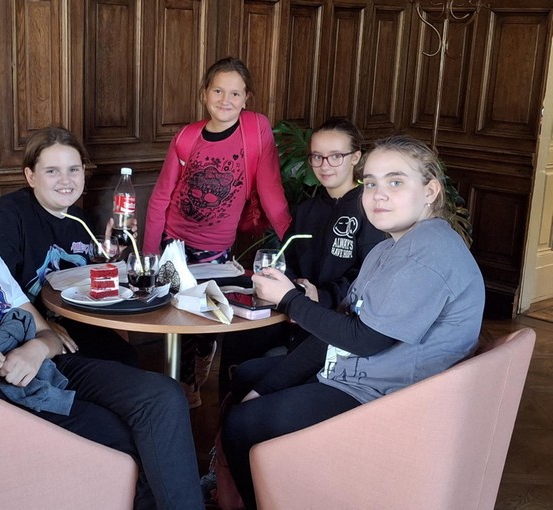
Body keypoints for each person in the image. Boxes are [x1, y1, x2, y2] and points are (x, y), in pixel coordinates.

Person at [0, 128, 204, 510]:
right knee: (121, 434)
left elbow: (46, 333)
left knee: (163, 395)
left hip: (36, 365)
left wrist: (36, 349)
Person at [220, 134, 485, 508]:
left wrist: (290, 300)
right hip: (363, 372)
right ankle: (278, 485)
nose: (378, 195)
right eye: (371, 183)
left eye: (395, 182)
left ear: (430, 191)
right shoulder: (389, 247)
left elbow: (364, 340)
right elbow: (338, 328)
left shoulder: (427, 254)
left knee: (241, 424)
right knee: (249, 376)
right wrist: (263, 389)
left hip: (391, 398)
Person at [144, 56, 292, 407]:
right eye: (218, 91)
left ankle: (197, 368)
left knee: (206, 319)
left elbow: (271, 190)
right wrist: (151, 254)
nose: (226, 100)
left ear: (247, 98)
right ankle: (183, 386)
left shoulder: (255, 129)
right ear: (204, 94)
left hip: (217, 251)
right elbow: (162, 195)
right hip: (174, 243)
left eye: (235, 93)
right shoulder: (187, 137)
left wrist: (292, 240)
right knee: (176, 316)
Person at [217, 117, 386, 398]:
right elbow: (288, 259)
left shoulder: (370, 210)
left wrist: (321, 295)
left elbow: (368, 276)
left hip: (338, 318)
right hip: (291, 307)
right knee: (239, 337)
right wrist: (292, 285)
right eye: (317, 157)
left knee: (273, 370)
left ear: (355, 157)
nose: (324, 165)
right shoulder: (307, 209)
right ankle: (227, 416)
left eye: (335, 156)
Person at [0, 126, 138, 366]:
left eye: (73, 170)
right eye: (52, 171)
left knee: (128, 359)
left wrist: (109, 257)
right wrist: (44, 327)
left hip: (76, 324)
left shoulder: (81, 220)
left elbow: (86, 285)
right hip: (23, 337)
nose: (66, 180)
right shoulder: (4, 219)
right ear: (31, 176)